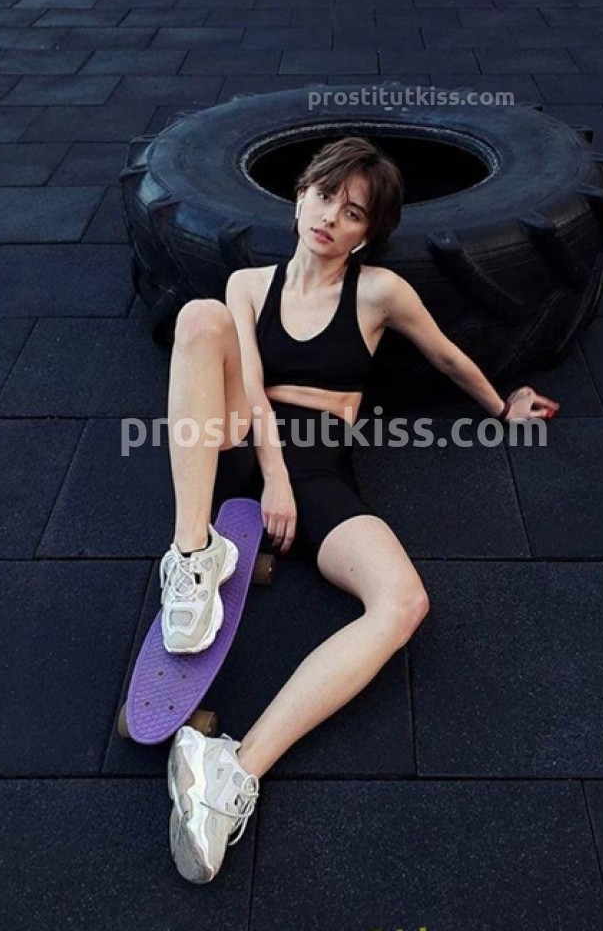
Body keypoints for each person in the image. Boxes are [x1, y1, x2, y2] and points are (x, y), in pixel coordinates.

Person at [161, 136, 560, 883]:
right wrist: (272, 477)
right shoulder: (247, 284)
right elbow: (250, 387)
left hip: (319, 465)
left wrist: (501, 405)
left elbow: (444, 354)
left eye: (352, 213)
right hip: (241, 439)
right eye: (323, 197)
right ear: (299, 198)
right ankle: (192, 553)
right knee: (200, 318)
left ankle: (232, 769)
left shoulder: (378, 292)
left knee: (403, 602)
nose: (330, 218)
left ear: (367, 233)